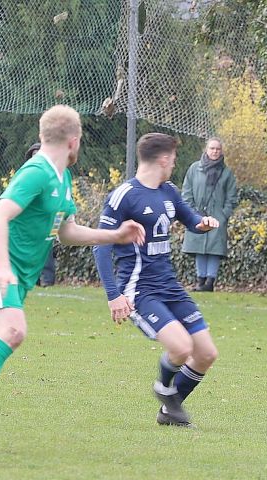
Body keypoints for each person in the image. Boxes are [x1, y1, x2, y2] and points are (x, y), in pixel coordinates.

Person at [0, 105, 145, 442]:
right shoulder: (36, 172)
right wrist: (3, 267)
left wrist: (114, 235)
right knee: (13, 331)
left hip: (15, 274)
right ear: (74, 140)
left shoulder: (62, 177)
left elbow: (65, 232)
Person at [94, 132, 220, 427]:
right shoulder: (124, 195)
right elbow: (101, 246)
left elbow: (191, 220)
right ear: (163, 159)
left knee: (206, 353)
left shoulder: (169, 191)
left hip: (170, 286)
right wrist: (114, 295)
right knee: (180, 348)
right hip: (139, 290)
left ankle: (169, 411)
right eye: (173, 159)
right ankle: (164, 389)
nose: (174, 164)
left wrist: (204, 224)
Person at [181, 137, 238, 292]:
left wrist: (223, 215)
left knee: (214, 250)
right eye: (212, 148)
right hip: (198, 215)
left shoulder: (227, 173)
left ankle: (210, 282)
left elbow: (232, 197)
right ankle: (200, 280)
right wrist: (191, 212)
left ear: (221, 151)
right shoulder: (194, 169)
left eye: (218, 149)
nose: (215, 151)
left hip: (217, 217)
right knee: (199, 247)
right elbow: (186, 192)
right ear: (206, 150)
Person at [24, 141, 58, 287]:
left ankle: (47, 279)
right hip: (33, 221)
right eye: (33, 155)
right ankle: (35, 278)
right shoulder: (26, 176)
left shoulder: (55, 177)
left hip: (51, 219)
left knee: (47, 247)